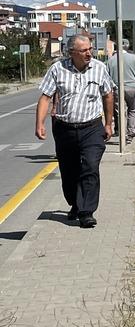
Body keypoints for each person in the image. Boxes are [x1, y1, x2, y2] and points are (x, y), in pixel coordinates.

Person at [34, 33, 114, 228]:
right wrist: (40, 123)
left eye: (90, 49)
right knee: (69, 172)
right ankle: (76, 204)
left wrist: (108, 123)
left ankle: (87, 212)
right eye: (84, 50)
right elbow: (45, 97)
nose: (89, 53)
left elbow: (108, 95)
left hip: (92, 127)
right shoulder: (57, 69)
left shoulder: (99, 68)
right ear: (72, 52)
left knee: (90, 167)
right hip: (65, 129)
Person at [105, 41, 135, 142]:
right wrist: (133, 79)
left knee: (120, 112)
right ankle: (130, 134)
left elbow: (107, 76)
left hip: (117, 88)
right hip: (132, 87)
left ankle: (121, 132)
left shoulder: (111, 60)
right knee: (132, 110)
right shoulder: (134, 58)